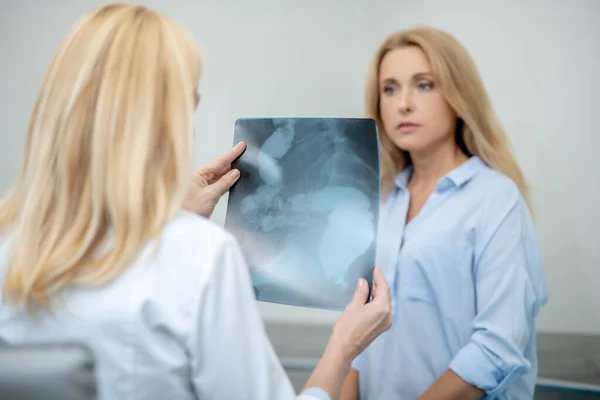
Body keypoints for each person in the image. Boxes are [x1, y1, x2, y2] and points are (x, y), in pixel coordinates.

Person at [0, 4, 392, 400]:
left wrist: (168, 220)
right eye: (190, 97)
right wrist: (345, 346)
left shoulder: (9, 245)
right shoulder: (200, 255)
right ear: (163, 117)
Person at [340, 26, 549, 399]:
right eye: (390, 89)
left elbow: (496, 350)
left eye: (423, 85)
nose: (403, 103)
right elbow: (359, 336)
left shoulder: (495, 199)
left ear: (457, 95)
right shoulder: (382, 200)